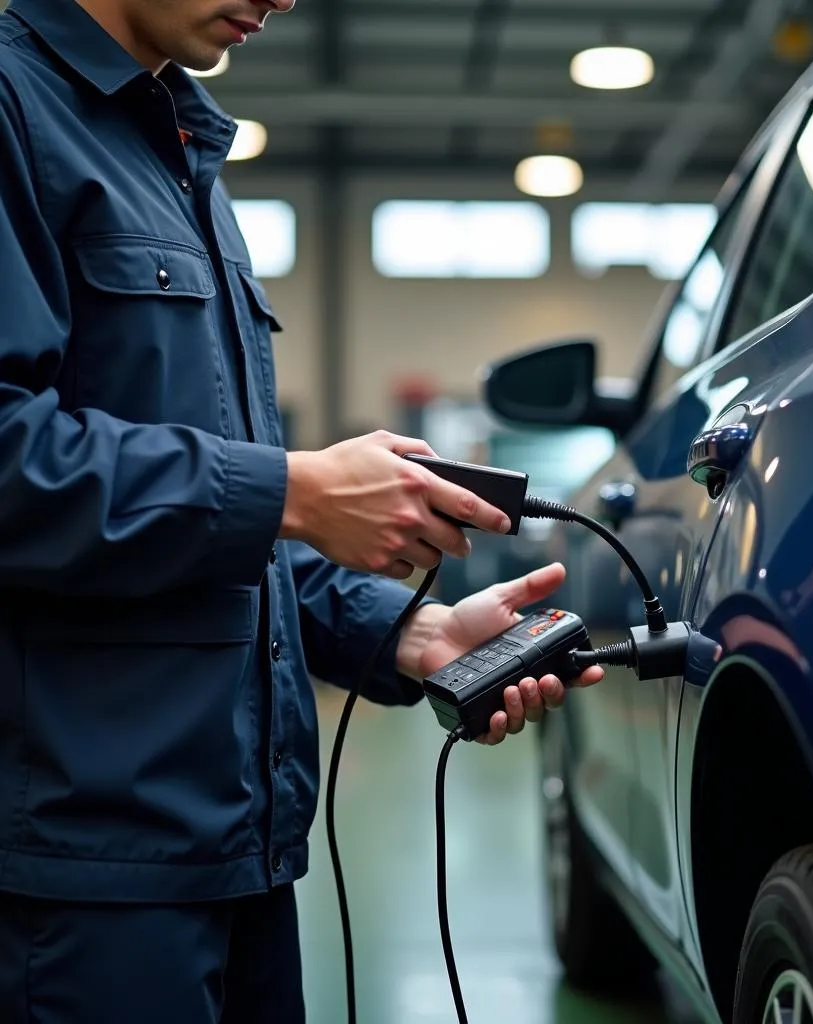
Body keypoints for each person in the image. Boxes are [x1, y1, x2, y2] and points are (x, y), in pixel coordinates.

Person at [0, 0, 605, 1020]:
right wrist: (293, 487)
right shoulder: (16, 111)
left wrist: (409, 632)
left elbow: (224, 531)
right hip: (83, 872)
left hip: (239, 848)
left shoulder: (178, 147)